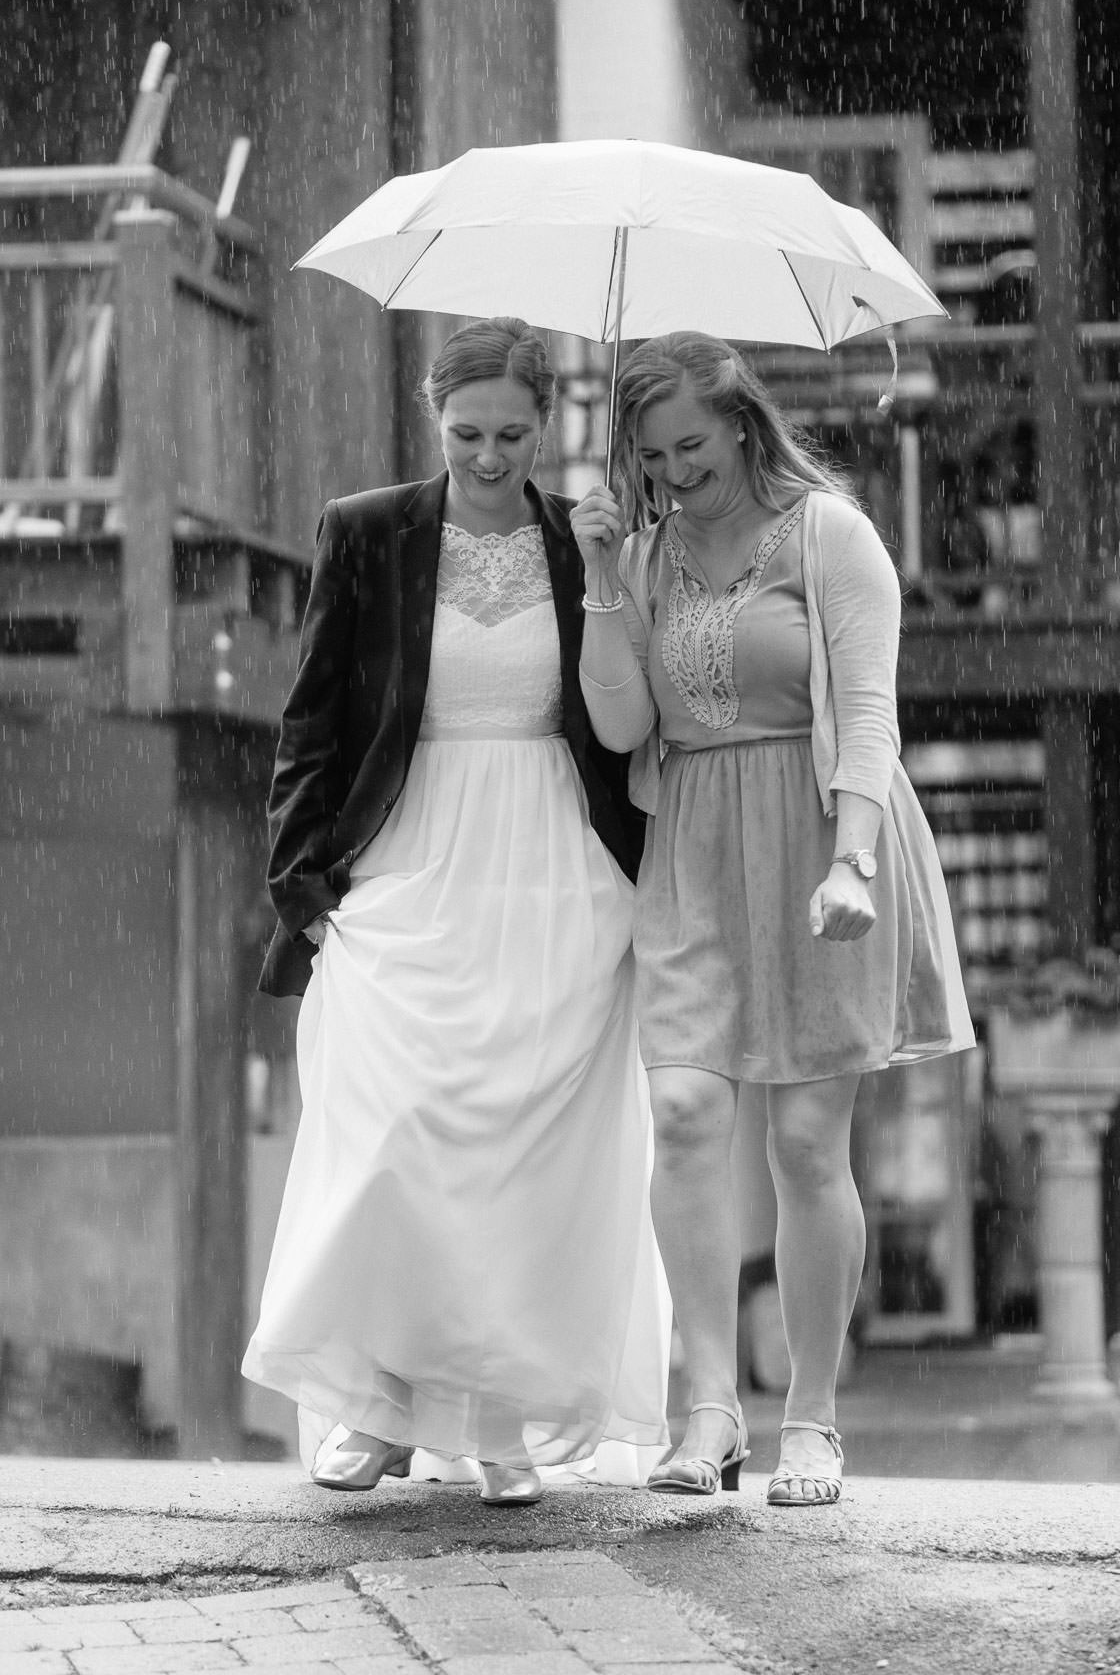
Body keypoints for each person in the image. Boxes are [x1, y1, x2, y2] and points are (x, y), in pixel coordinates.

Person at [243, 317, 669, 1505]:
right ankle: (376, 1411)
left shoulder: (581, 538)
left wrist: (607, 580)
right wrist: (302, 885)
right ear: (435, 418)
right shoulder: (367, 531)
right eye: (467, 431)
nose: (489, 454)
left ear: (547, 426)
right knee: (395, 1135)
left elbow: (624, 716)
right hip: (409, 855)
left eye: (513, 434)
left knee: (519, 1161)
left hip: (549, 865)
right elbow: (313, 720)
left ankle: (491, 1422)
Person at [572, 331, 974, 1506]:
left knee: (805, 1142)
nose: (671, 471)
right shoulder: (643, 556)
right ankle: (708, 1408)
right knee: (687, 1114)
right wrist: (602, 584)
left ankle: (813, 1416)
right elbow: (613, 725)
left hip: (819, 839)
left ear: (742, 424)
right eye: (650, 456)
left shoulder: (830, 535)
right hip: (693, 847)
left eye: (689, 446)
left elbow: (868, 717)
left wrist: (853, 860)